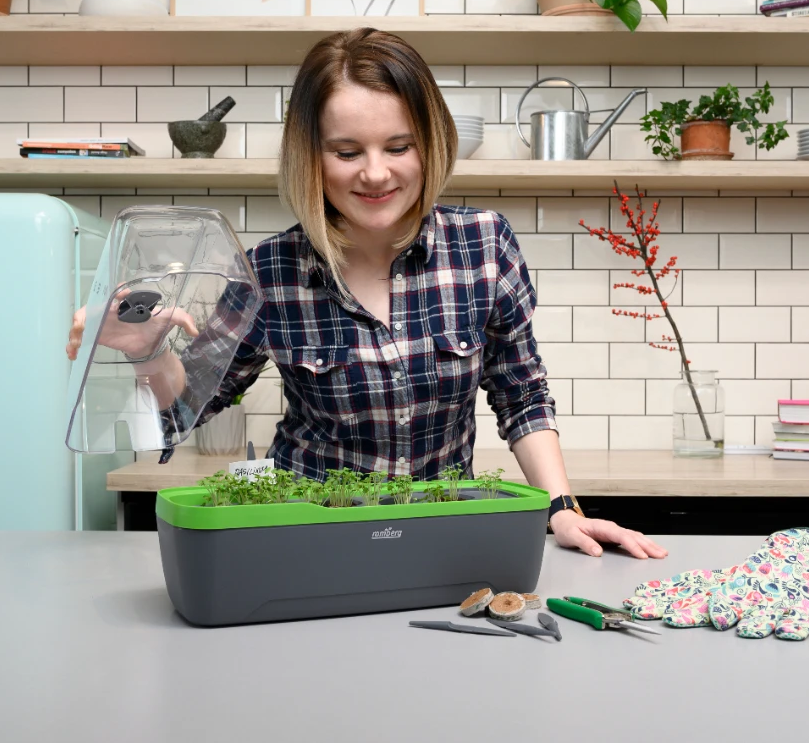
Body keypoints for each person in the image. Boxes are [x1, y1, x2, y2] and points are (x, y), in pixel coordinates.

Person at [67, 28, 667, 561]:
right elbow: (189, 404)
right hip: (309, 539)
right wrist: (146, 351)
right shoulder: (270, 271)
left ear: (431, 144)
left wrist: (562, 509)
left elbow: (522, 394)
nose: (376, 174)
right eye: (347, 151)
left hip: (441, 538)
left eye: (399, 147)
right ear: (311, 156)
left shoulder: (484, 245)